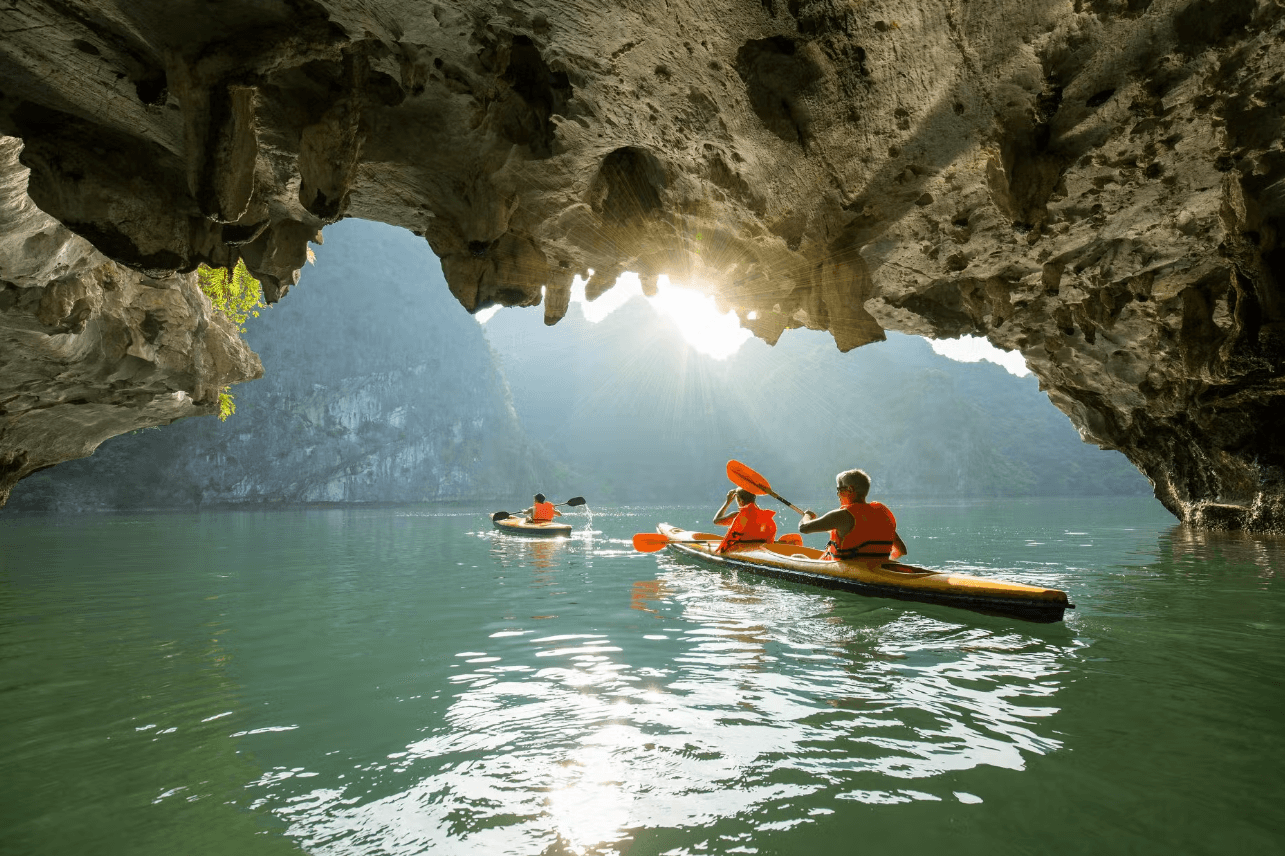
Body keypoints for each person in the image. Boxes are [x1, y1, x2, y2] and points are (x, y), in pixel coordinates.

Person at [798, 469, 907, 561]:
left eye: (839, 489)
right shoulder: (882, 514)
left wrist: (807, 515)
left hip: (846, 571)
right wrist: (880, 566)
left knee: (796, 556)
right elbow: (901, 550)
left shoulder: (841, 515)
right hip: (876, 571)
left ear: (849, 489)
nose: (838, 494)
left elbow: (803, 528)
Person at [713, 487, 777, 552]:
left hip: (740, 549)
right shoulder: (764, 517)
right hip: (761, 549)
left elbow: (716, 520)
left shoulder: (737, 516)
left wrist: (727, 502)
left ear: (739, 500)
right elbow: (754, 511)